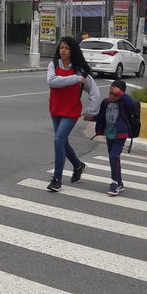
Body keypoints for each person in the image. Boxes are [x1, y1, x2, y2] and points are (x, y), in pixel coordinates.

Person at [46, 35, 100, 192]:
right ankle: (78, 165)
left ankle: (57, 179)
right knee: (62, 141)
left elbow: (95, 92)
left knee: (58, 140)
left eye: (66, 48)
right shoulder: (54, 64)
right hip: (55, 109)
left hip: (71, 111)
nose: (63, 50)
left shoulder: (81, 70)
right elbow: (52, 82)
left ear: (72, 51)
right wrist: (75, 79)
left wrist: (91, 111)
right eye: (61, 47)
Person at [92, 79, 137, 196]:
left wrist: (121, 94)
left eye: (115, 94)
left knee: (113, 156)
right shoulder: (106, 102)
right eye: (110, 93)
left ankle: (115, 182)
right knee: (114, 158)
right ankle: (120, 182)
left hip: (121, 134)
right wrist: (91, 118)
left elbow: (133, 105)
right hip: (109, 134)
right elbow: (101, 116)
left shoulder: (124, 103)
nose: (112, 96)